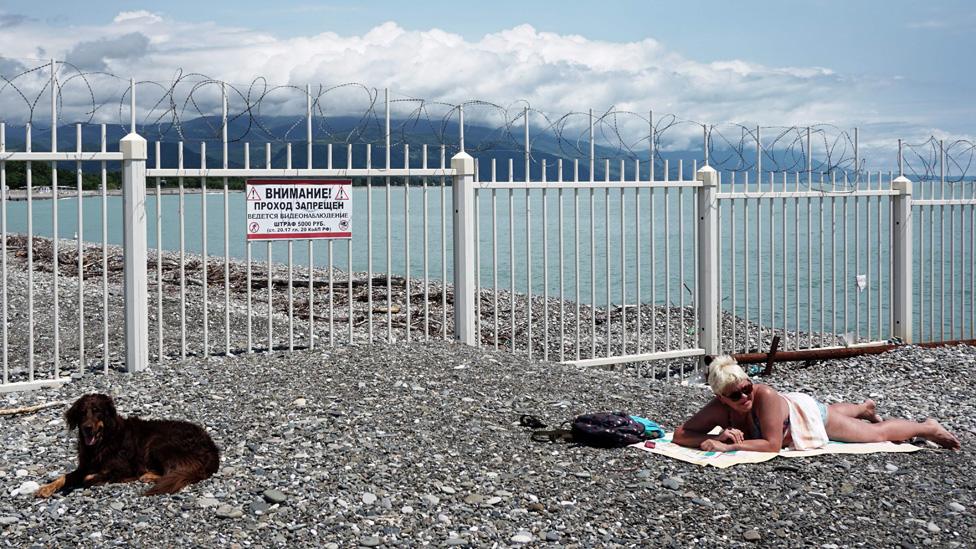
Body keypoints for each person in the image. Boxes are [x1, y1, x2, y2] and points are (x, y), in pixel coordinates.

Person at [673, 355, 960, 452]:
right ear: (721, 398)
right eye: (735, 395)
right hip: (798, 409)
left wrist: (729, 445)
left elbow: (772, 445)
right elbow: (679, 434)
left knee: (876, 434)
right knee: (836, 412)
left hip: (804, 413)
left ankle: (926, 427)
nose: (745, 396)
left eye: (747, 388)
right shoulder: (718, 407)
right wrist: (712, 436)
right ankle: (863, 408)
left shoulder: (766, 396)